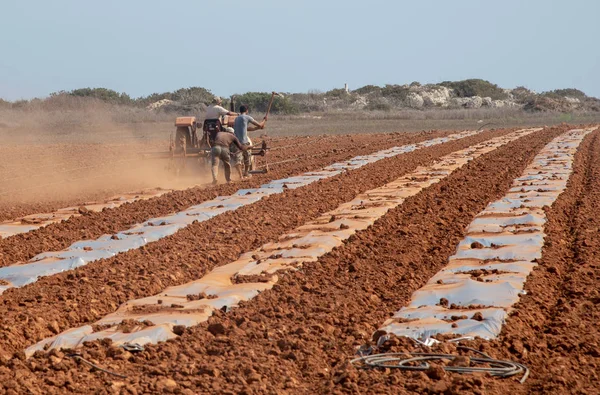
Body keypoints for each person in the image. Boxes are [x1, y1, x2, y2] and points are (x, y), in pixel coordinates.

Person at [232, 105, 265, 178]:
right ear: (246, 110)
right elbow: (260, 125)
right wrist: (264, 120)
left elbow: (246, 128)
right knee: (247, 159)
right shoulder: (247, 117)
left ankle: (240, 176)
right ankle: (246, 173)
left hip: (236, 142)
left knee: (238, 160)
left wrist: (256, 128)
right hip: (244, 143)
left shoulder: (236, 119)